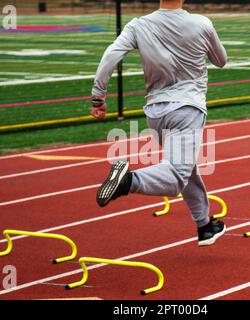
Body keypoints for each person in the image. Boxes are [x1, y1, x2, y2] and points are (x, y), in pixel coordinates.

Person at [91, 0, 228, 246]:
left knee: (187, 168)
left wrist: (98, 96)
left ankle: (205, 225)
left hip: (155, 111)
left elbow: (111, 54)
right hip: (187, 107)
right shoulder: (201, 23)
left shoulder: (138, 24)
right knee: (177, 174)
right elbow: (221, 60)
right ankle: (127, 181)